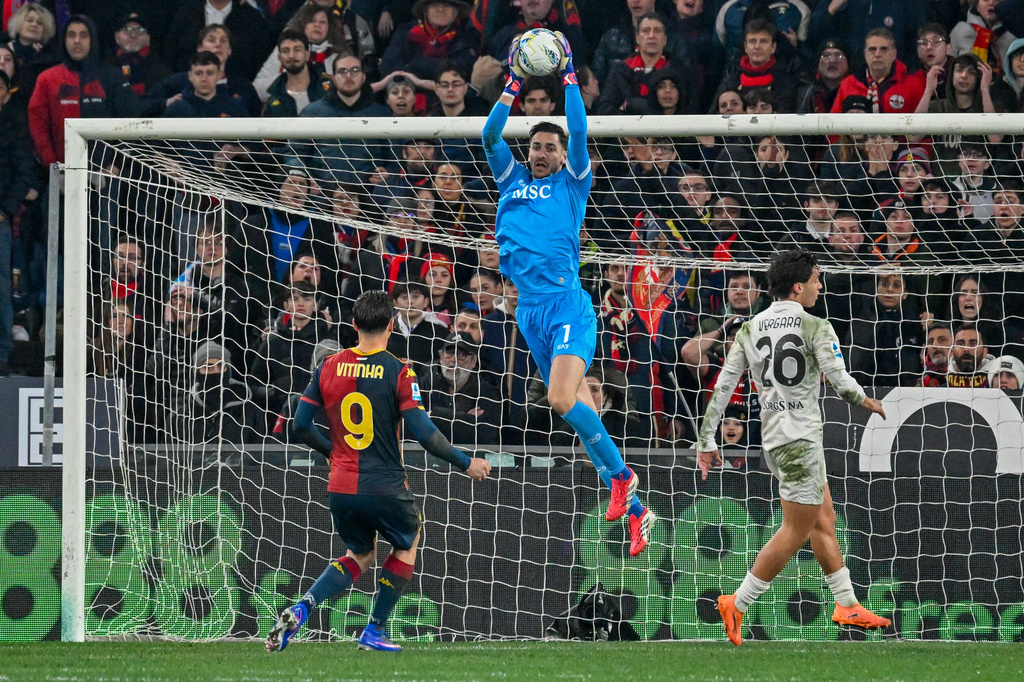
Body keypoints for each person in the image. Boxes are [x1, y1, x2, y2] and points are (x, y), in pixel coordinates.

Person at [482, 31, 654, 555]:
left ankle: (623, 478)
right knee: (579, 414)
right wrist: (513, 82)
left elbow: (579, 129)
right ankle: (638, 511)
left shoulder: (573, 183)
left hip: (567, 306)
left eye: (549, 148)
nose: (540, 153)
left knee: (559, 399)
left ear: (562, 156)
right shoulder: (510, 180)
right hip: (529, 311)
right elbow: (490, 135)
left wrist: (570, 75)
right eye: (535, 146)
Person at [268, 289, 490, 654]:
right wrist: (467, 463)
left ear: (354, 325)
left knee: (360, 554)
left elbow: (300, 425)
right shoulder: (399, 370)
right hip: (385, 483)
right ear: (391, 325)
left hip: (341, 486)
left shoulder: (328, 366)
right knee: (407, 542)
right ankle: (374, 629)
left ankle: (303, 607)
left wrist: (332, 452)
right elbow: (425, 433)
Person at [697, 248, 890, 646]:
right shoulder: (816, 325)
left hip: (774, 438)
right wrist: (867, 401)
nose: (820, 286)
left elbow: (724, 385)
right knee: (794, 531)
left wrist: (706, 440)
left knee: (823, 520)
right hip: (800, 439)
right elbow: (841, 382)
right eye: (817, 279)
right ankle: (738, 602)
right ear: (798, 287)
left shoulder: (750, 328)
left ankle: (847, 604)